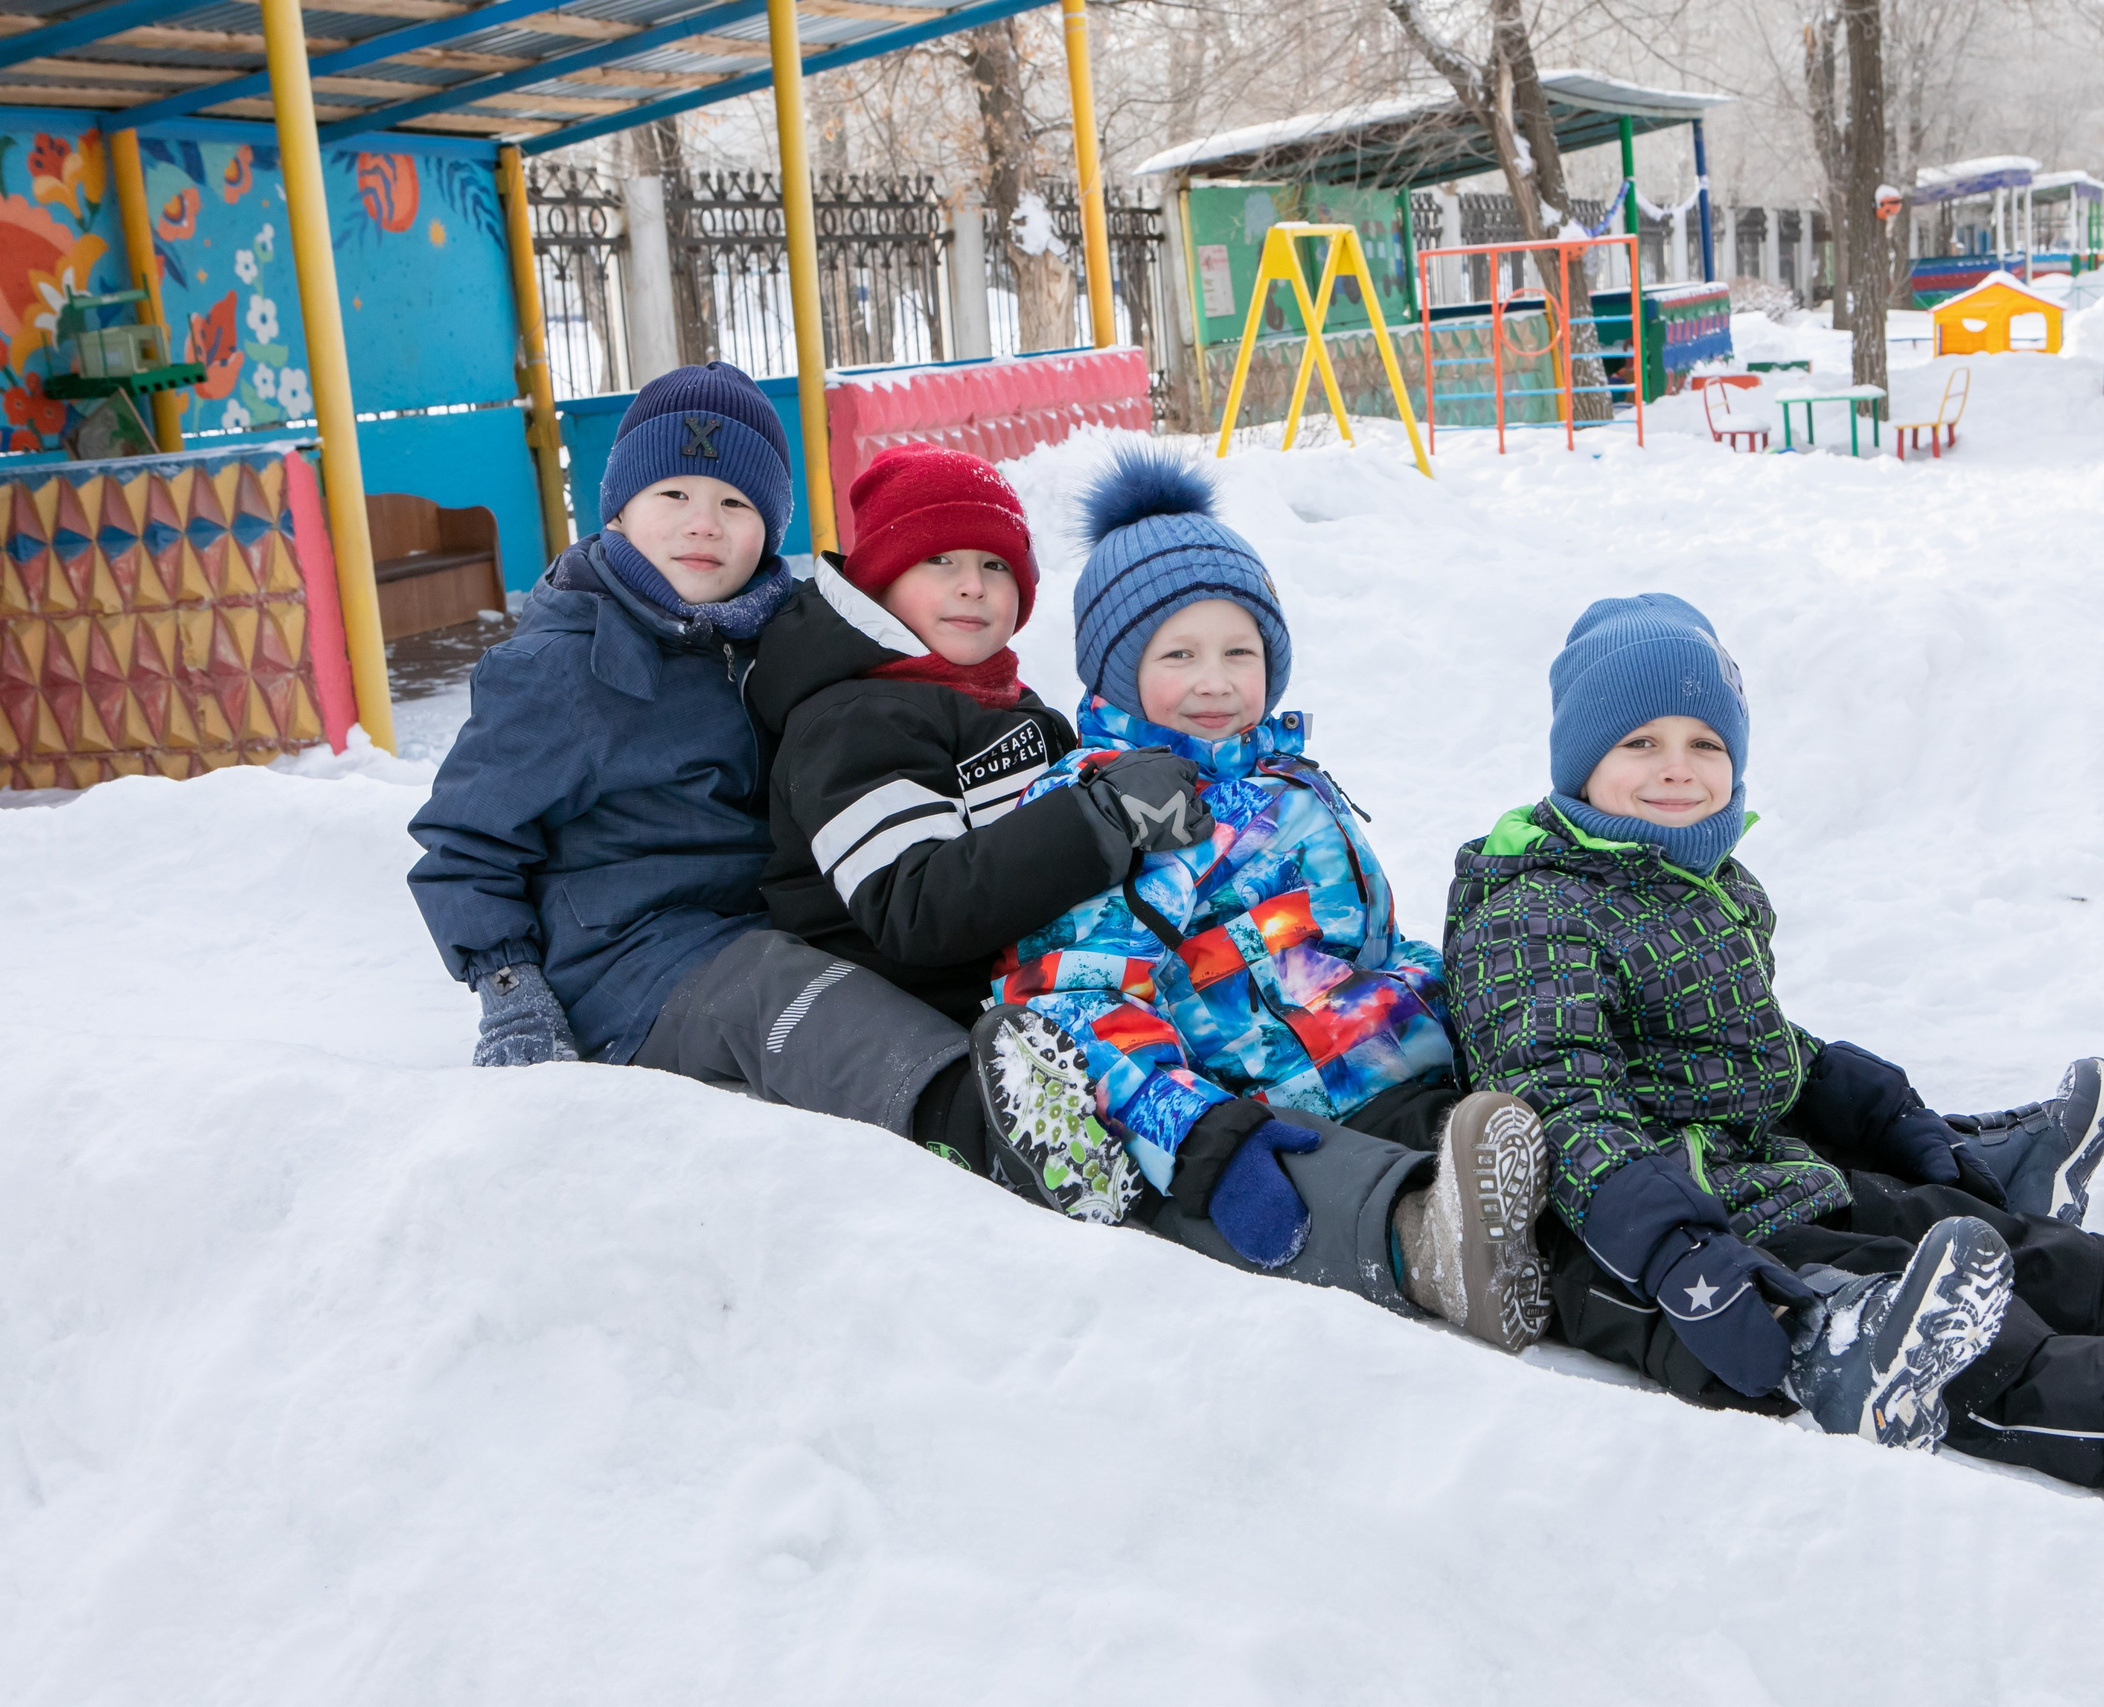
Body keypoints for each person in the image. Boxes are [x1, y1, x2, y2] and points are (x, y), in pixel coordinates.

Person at [1441, 593, 2104, 1556]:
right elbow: (1559, 1098)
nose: (1678, 768)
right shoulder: (1534, 913)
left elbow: (1759, 1047)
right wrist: (1683, 1251)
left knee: (2017, 1245)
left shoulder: (1700, 885)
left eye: (1705, 741)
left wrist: (1891, 1112)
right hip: (1705, 1230)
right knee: (1969, 1342)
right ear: (1579, 762)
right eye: (1640, 742)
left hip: (1772, 1173)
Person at [990, 446, 1552, 1352]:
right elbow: (1080, 998)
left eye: (1238, 652)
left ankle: (1642, 1253)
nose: (1215, 681)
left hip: (1391, 1064)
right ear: (1114, 669)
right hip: (1270, 1098)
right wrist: (1204, 1130)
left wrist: (1466, 1005)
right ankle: (1430, 1246)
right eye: (1179, 653)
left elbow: (1365, 944)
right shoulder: (1107, 810)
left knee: (1548, 1148)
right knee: (1376, 1176)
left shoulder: (1290, 785)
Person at [406, 366, 1023, 1174]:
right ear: (619, 510)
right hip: (626, 961)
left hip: (762, 916)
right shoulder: (561, 665)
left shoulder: (776, 640)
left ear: (769, 527)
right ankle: (977, 1113)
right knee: (776, 986)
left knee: (887, 949)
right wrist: (511, 990)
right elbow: (463, 844)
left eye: (735, 504)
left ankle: (1059, 1047)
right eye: (673, 496)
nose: (704, 524)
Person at [744, 442, 1196, 1216]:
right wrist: (1100, 817)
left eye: (995, 566)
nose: (971, 585)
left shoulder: (999, 700)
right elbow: (915, 907)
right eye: (939, 559)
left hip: (1040, 982)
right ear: (881, 580)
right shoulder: (852, 717)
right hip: (934, 1010)